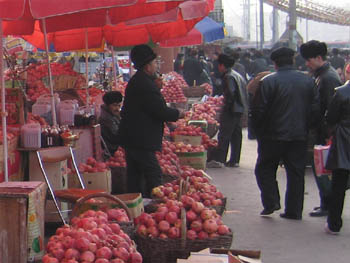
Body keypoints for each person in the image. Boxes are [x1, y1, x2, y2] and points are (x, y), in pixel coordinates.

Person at [250, 47, 320, 219]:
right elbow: (315, 109)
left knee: (264, 168)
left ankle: (271, 200)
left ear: (274, 63)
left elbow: (258, 110)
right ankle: (294, 211)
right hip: (298, 135)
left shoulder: (268, 82)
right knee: (296, 173)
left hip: (272, 136)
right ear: (293, 61)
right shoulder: (308, 81)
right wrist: (307, 127)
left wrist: (258, 132)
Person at [118, 44, 183, 198]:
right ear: (147, 66)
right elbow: (159, 110)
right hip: (141, 139)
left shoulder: (140, 81)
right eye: (155, 63)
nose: (156, 66)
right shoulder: (145, 84)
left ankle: (137, 206)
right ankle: (155, 204)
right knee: (153, 173)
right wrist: (178, 113)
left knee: (135, 176)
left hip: (133, 137)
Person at [300, 40, 343, 217]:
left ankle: (328, 205)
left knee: (326, 172)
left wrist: (328, 135)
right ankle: (325, 203)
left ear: (319, 58)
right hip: (320, 131)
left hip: (326, 133)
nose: (306, 64)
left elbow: (331, 110)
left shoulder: (329, 78)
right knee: (321, 170)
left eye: (308, 60)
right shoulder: (320, 75)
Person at [207, 53, 247, 168]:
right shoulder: (237, 75)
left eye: (219, 65)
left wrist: (225, 107)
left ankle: (220, 159)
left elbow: (231, 94)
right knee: (236, 135)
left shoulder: (228, 76)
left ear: (222, 65)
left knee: (224, 134)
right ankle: (234, 160)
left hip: (231, 109)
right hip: (239, 109)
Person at [324, 65, 350, 234]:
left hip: (344, 142)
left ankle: (334, 224)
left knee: (338, 185)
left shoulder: (341, 93)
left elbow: (330, 117)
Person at [99, 91, 123, 158]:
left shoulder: (112, 113)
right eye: (115, 105)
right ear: (107, 105)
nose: (117, 108)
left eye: (119, 105)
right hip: (112, 148)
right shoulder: (106, 118)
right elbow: (118, 134)